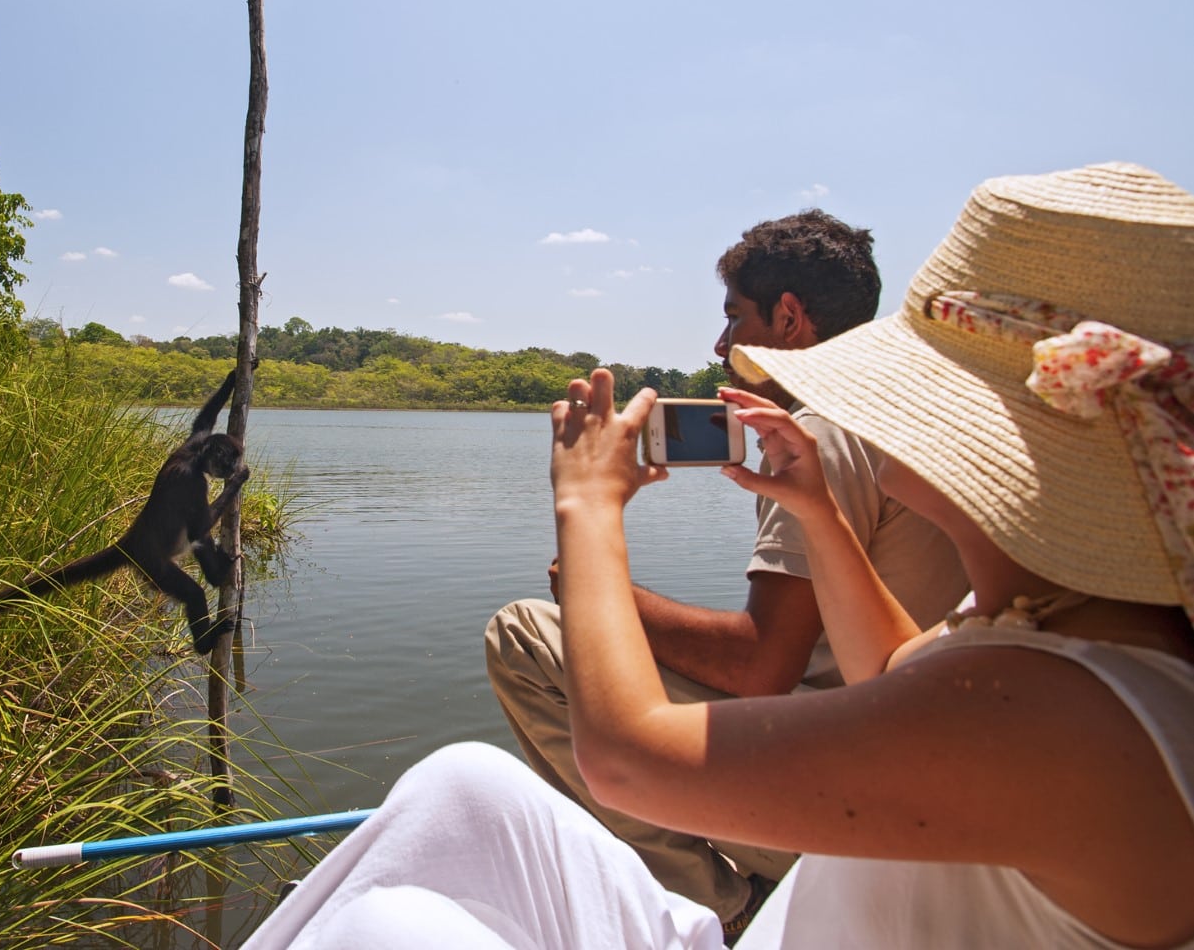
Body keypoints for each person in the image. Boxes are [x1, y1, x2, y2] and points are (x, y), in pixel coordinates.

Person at [244, 162, 1194, 948]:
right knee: (460, 784)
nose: (882, 421)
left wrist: (586, 510)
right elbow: (895, 668)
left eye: (917, 396)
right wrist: (819, 510)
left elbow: (627, 763)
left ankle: (714, 897)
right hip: (809, 916)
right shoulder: (1064, 630)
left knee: (395, 928)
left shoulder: (1071, 722)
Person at [485, 210, 969, 935]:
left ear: (788, 316)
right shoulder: (917, 421)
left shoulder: (825, 433)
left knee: (524, 634)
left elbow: (758, 669)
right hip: (933, 779)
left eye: (733, 318)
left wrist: (591, 584)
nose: (719, 343)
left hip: (836, 804)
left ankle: (726, 911)